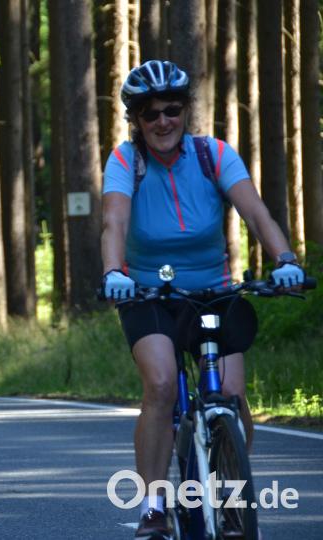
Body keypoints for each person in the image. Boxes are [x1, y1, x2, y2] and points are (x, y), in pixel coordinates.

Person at [101, 60, 306, 539]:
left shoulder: (214, 154)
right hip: (147, 292)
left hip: (214, 291)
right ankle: (153, 507)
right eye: (150, 114)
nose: (163, 122)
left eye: (172, 110)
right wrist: (114, 272)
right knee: (161, 385)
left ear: (186, 111)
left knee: (232, 396)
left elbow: (256, 213)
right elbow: (114, 221)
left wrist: (286, 259)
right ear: (137, 120)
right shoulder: (126, 161)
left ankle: (232, 500)